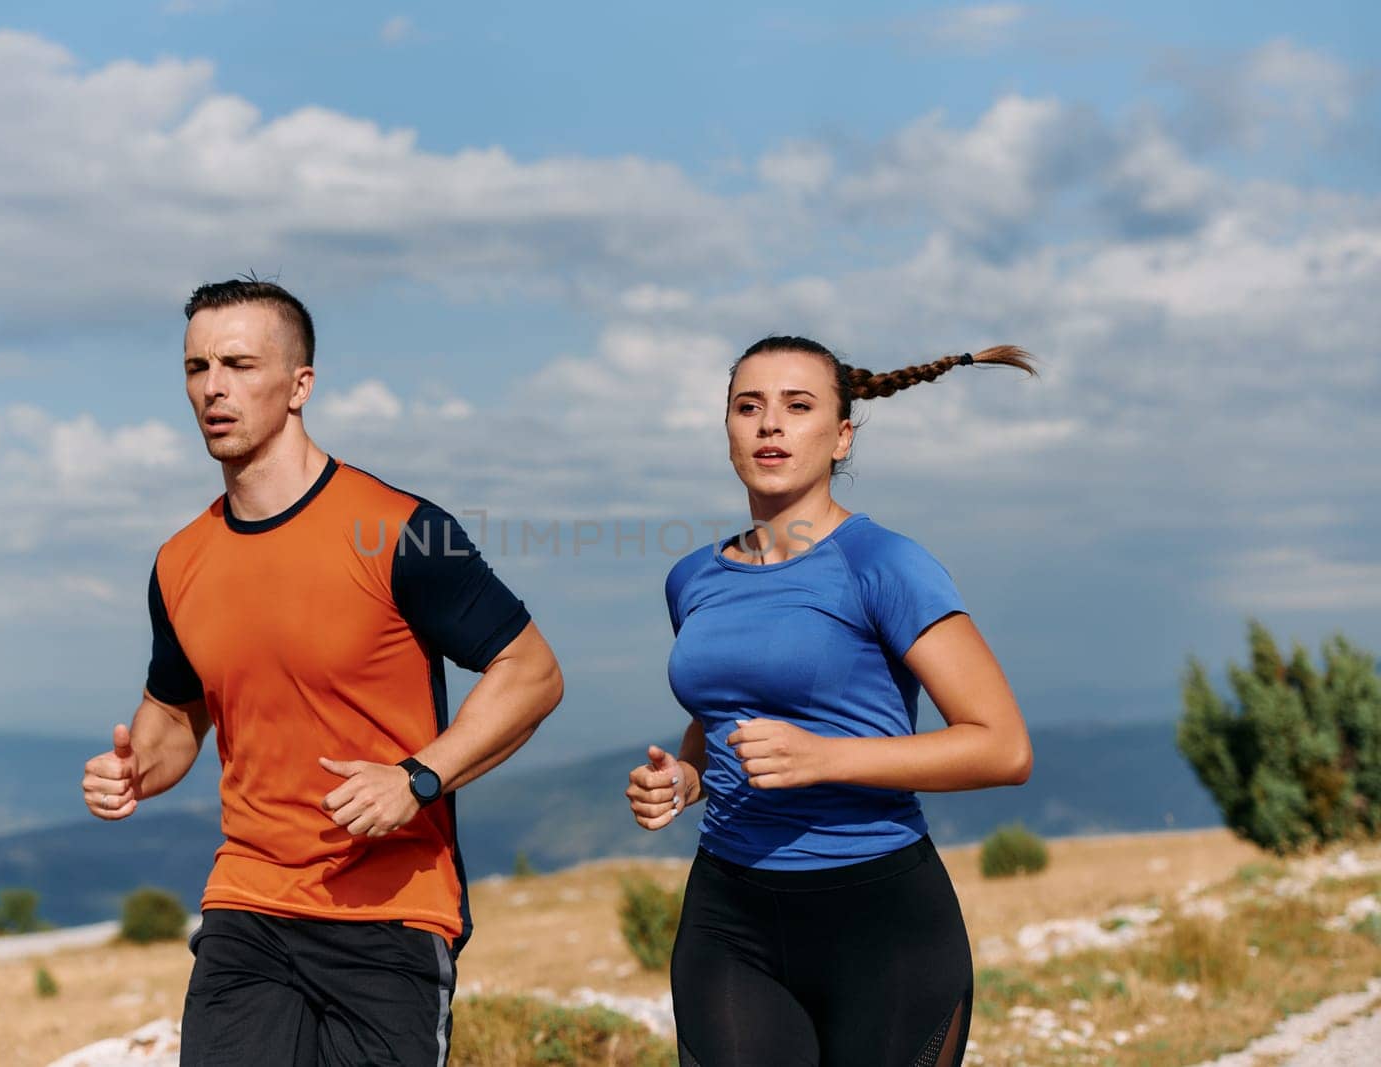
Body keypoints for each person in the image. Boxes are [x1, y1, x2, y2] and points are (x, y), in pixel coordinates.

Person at [80, 278, 563, 1067]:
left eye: (238, 363)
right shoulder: (179, 561)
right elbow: (172, 723)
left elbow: (533, 672)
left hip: (391, 912)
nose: (213, 387)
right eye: (197, 367)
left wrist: (417, 776)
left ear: (300, 384)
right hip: (248, 904)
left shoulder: (402, 529)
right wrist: (132, 771)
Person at [625, 336, 1035, 1067]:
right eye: (748, 406)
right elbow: (722, 708)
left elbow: (1003, 745)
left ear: (841, 433)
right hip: (729, 915)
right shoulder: (692, 577)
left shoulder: (884, 563)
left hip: (879, 922)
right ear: (727, 430)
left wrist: (826, 757)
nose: (769, 425)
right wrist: (687, 778)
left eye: (798, 405)